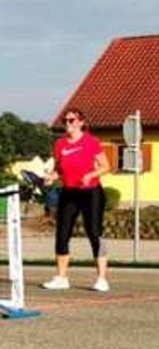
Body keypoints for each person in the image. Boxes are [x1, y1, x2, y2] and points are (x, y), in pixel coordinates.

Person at [42, 108, 111, 292]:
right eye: (65, 120)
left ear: (81, 122)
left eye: (71, 120)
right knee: (62, 234)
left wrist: (91, 174)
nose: (67, 123)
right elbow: (59, 170)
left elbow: (106, 166)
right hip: (69, 193)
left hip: (91, 192)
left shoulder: (91, 142)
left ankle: (102, 278)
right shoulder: (60, 144)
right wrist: (51, 177)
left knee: (94, 233)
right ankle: (62, 278)